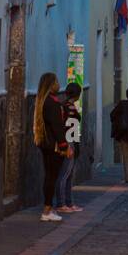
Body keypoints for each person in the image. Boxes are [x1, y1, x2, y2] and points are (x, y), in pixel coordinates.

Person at [33, 73, 67, 222]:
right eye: (56, 81)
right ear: (51, 84)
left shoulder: (42, 102)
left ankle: (48, 208)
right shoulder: (52, 104)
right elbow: (57, 127)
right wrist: (64, 146)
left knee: (49, 176)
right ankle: (47, 209)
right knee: (52, 177)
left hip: (45, 143)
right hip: (53, 145)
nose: (59, 84)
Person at [53, 82, 83, 214]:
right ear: (77, 95)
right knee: (65, 174)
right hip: (69, 142)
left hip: (70, 141)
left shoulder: (65, 106)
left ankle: (69, 202)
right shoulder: (69, 108)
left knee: (69, 175)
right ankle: (61, 203)